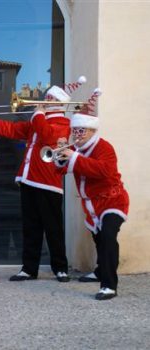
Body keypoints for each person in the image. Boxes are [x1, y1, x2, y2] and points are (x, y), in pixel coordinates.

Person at [0, 78, 87, 283]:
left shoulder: (64, 124)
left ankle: (60, 268)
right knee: (31, 227)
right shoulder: (39, 121)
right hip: (29, 181)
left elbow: (47, 137)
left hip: (48, 183)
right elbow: (14, 131)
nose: (45, 100)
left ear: (60, 103)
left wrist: (38, 114)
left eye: (50, 98)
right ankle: (29, 268)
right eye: (47, 97)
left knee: (53, 228)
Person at [56, 90, 129, 300]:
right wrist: (61, 155)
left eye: (81, 131)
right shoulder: (76, 150)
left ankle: (109, 285)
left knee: (107, 238)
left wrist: (74, 156)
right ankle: (99, 271)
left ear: (91, 131)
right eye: (75, 131)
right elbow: (60, 170)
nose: (77, 135)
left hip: (113, 199)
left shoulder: (104, 147)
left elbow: (103, 171)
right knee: (99, 239)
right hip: (91, 204)